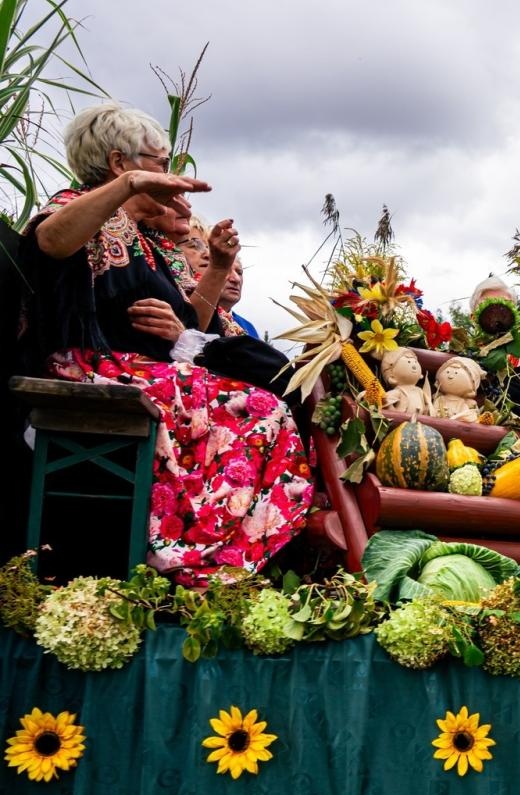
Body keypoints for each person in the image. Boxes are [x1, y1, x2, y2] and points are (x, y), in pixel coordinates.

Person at [17, 101, 310, 586]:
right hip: (89, 367)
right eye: (159, 163)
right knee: (257, 407)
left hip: (149, 369)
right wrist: (126, 189)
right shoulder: (80, 206)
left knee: (265, 402)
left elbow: (188, 326)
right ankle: (188, 555)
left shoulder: (148, 241)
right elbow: (51, 242)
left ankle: (208, 549)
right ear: (119, 163)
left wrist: (215, 267)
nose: (169, 175)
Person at [219, 258, 260, 338]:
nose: (236, 279)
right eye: (225, 270)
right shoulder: (191, 318)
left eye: (239, 273)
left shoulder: (249, 329)